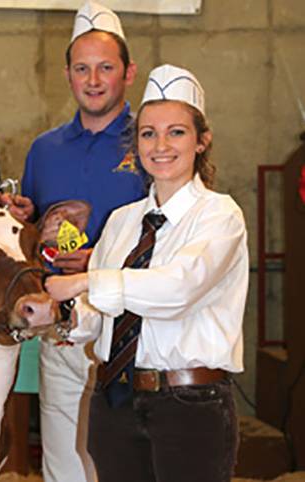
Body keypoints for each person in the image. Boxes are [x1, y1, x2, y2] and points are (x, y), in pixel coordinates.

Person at [46, 64, 248, 482]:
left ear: (202, 141)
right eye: (148, 133)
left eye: (176, 132)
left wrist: (84, 280)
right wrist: (65, 315)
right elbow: (100, 314)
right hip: (115, 400)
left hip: (191, 405)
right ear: (135, 143)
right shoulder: (122, 222)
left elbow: (177, 289)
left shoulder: (220, 215)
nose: (161, 145)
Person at [4, 2, 145, 481]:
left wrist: (100, 260)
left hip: (133, 333)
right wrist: (25, 219)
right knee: (63, 462)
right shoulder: (44, 149)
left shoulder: (150, 144)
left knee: (128, 464)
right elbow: (35, 238)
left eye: (105, 67)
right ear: (66, 74)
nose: (93, 79)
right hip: (62, 327)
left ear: (128, 72)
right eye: (82, 68)